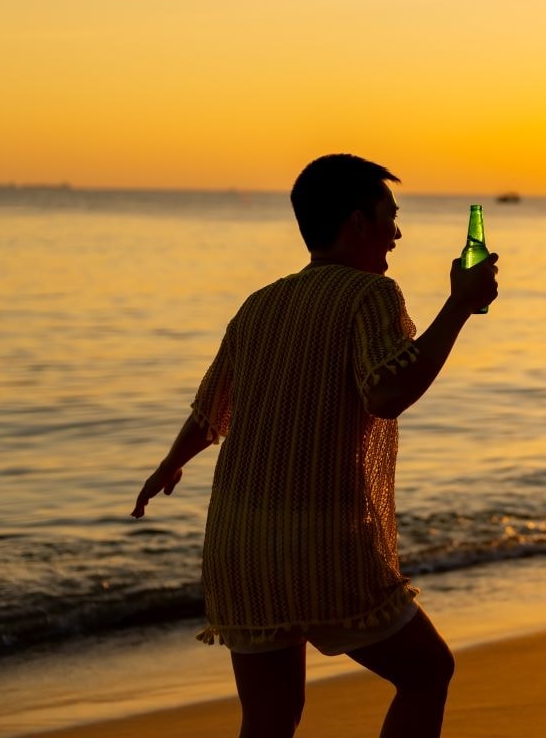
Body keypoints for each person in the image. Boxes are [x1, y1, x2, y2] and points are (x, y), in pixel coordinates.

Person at [131, 153, 498, 738]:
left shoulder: (260, 303)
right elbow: (387, 392)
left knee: (270, 719)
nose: (397, 233)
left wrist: (168, 465)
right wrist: (458, 305)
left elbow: (211, 411)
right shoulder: (369, 295)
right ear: (356, 223)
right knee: (428, 671)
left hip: (239, 542)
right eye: (389, 217)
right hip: (321, 543)